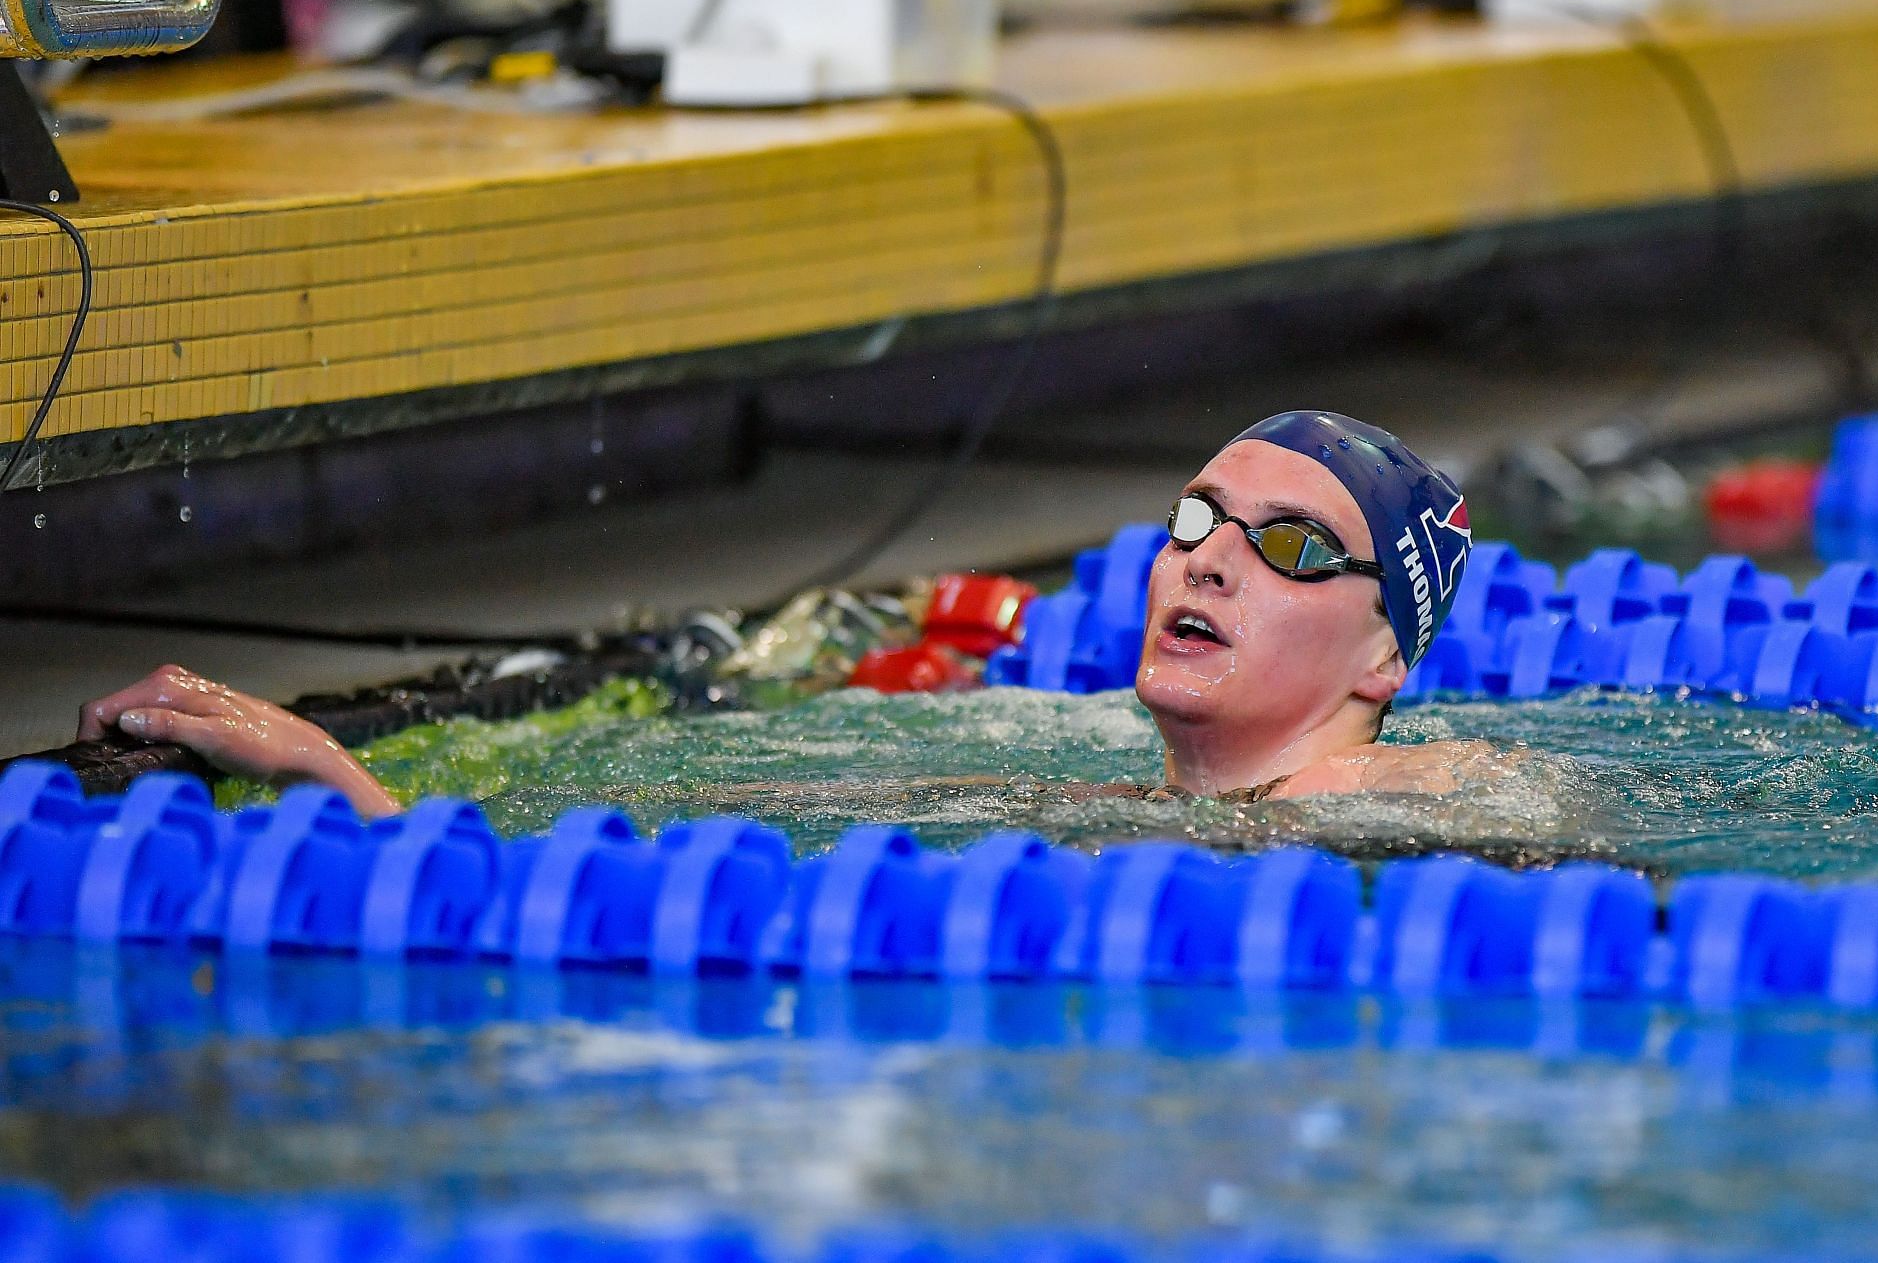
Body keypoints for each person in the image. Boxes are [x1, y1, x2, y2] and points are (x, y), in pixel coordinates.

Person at [78, 411, 1500, 818]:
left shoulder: (1435, 808)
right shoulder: (1078, 797)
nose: (1205, 560)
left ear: (1387, 649)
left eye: (1293, 544)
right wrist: (361, 783)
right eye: (1194, 517)